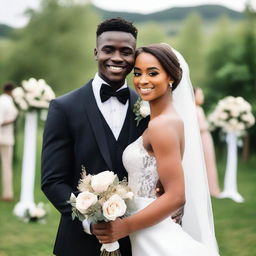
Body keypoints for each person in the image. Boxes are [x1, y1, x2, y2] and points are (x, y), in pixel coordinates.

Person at [93, 44, 220, 255]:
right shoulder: (167, 120)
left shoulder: (162, 125)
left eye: (153, 73)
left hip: (154, 232)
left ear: (171, 77)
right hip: (146, 229)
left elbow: (177, 196)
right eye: (137, 73)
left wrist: (124, 227)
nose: (142, 80)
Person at [41, 18, 150, 256]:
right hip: (77, 244)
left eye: (126, 52)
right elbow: (52, 180)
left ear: (134, 58)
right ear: (96, 52)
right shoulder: (64, 107)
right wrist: (88, 221)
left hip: (138, 241)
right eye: (109, 49)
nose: (117, 58)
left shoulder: (146, 108)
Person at [194, 87, 221, 197]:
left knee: (209, 162)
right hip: (202, 137)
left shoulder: (199, 108)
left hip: (205, 137)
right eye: (200, 94)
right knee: (206, 162)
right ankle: (209, 189)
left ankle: (212, 187)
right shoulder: (195, 109)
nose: (202, 97)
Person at [0, 82, 18, 201]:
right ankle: (7, 194)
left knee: (6, 167)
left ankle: (7, 194)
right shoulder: (4, 101)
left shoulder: (5, 100)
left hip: (6, 138)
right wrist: (12, 120)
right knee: (7, 167)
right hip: (4, 138)